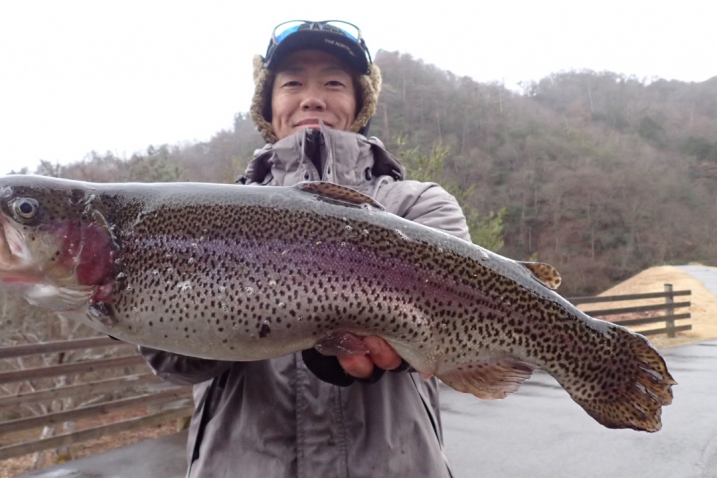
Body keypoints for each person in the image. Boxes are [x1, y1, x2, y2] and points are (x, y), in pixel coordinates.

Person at [140, 20, 470, 477]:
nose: (312, 98)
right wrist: (130, 296)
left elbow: (453, 319)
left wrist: (388, 354)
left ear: (359, 104)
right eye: (292, 82)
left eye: (333, 83)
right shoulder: (208, 216)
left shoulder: (419, 204)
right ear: (268, 104)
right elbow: (172, 362)